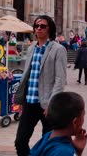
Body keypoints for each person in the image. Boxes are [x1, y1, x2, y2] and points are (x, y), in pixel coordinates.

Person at [14, 15, 68, 156]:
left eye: (43, 26)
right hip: (30, 101)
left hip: (47, 104)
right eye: (37, 26)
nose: (39, 28)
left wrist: (52, 104)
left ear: (50, 29)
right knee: (20, 141)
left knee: (48, 142)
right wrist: (20, 99)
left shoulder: (58, 49)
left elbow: (60, 79)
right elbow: (27, 75)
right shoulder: (31, 48)